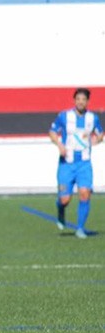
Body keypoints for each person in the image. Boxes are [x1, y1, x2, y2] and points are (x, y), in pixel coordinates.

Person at [48, 87, 103, 239]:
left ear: (87, 102)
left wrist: (96, 139)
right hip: (67, 164)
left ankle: (80, 228)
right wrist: (59, 145)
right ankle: (60, 209)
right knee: (65, 199)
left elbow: (100, 134)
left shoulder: (93, 118)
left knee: (85, 194)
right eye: (78, 99)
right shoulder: (64, 116)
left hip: (84, 164)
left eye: (83, 99)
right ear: (74, 100)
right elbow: (52, 132)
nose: (80, 102)